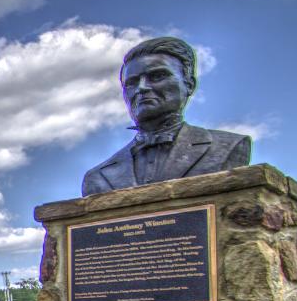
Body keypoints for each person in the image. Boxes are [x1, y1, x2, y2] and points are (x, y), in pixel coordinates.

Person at [82, 36, 251, 196]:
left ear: (189, 85)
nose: (142, 88)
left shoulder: (227, 146)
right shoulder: (99, 177)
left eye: (157, 76)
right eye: (132, 83)